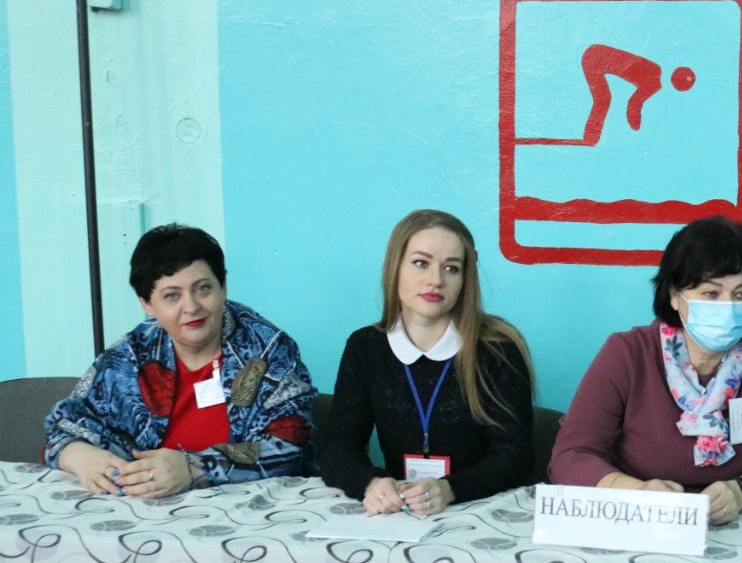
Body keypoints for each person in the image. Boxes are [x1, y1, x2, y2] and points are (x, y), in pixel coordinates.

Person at [549, 215, 742, 524]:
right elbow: (571, 456)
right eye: (711, 293)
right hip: (639, 519)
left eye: (741, 294)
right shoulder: (627, 353)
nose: (727, 306)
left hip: (740, 521)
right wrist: (638, 493)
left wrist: (741, 492)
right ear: (675, 295)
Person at [45, 225, 315, 497]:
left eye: (203, 288)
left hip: (243, 508)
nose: (191, 307)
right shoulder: (131, 354)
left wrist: (195, 468)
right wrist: (79, 455)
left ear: (223, 286)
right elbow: (63, 426)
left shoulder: (266, 349)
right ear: (147, 304)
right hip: (139, 508)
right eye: (172, 295)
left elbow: (291, 446)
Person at [321, 209, 533, 515]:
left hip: (478, 509)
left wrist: (450, 489)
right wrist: (370, 483)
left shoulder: (498, 348)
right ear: (395, 267)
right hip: (403, 512)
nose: (436, 280)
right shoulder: (365, 347)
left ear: (465, 279)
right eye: (421, 263)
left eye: (451, 268)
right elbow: (337, 449)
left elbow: (515, 455)